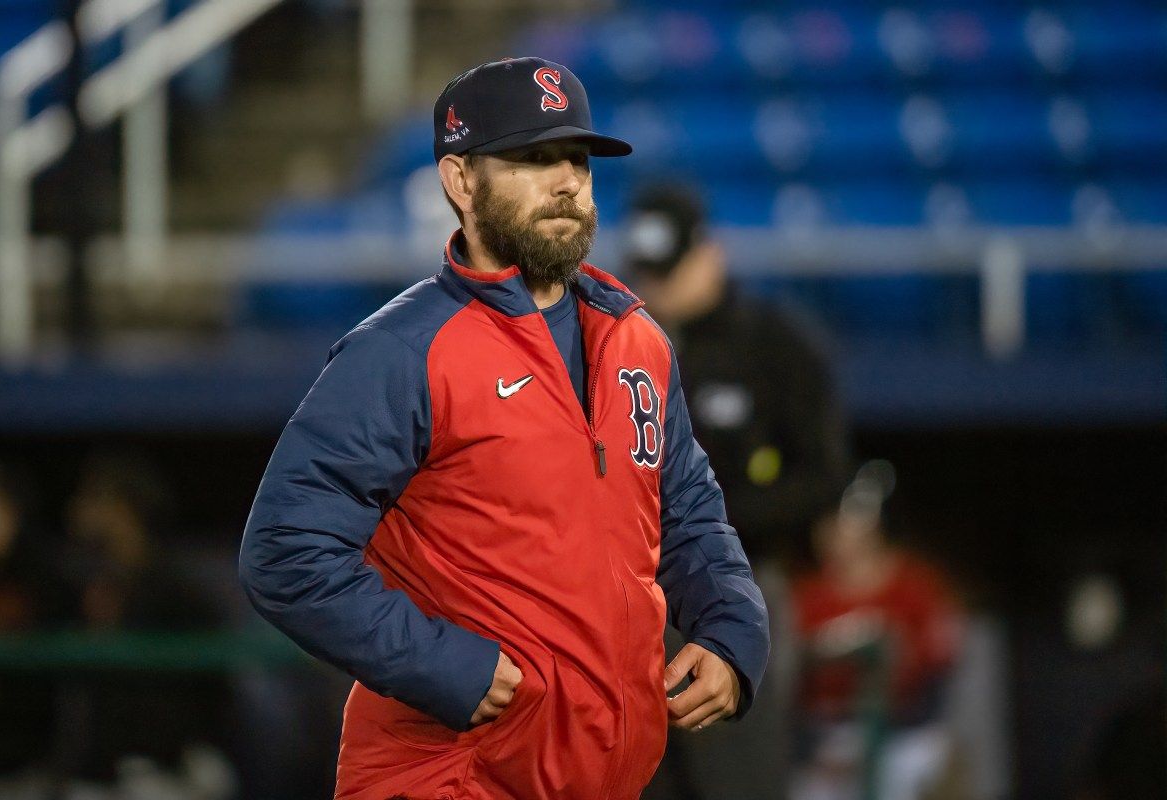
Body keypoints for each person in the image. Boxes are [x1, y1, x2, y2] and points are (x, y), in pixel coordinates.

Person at [239, 57, 770, 800]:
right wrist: (441, 663)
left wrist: (729, 629)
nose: (566, 181)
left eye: (576, 160)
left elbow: (686, 510)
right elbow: (284, 550)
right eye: (531, 158)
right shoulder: (404, 350)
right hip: (449, 776)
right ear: (460, 181)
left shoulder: (636, 338)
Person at [625, 184, 849, 800]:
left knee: (735, 779)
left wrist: (711, 522)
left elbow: (827, 475)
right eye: (649, 272)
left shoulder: (770, 345)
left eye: (671, 270)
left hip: (742, 589)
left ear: (711, 254)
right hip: (631, 602)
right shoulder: (615, 345)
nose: (660, 286)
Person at [790, 463, 963, 800]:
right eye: (828, 523)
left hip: (903, 735)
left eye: (843, 521)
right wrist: (812, 748)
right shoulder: (807, 596)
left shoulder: (916, 586)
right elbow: (789, 688)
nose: (833, 532)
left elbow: (937, 674)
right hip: (827, 739)